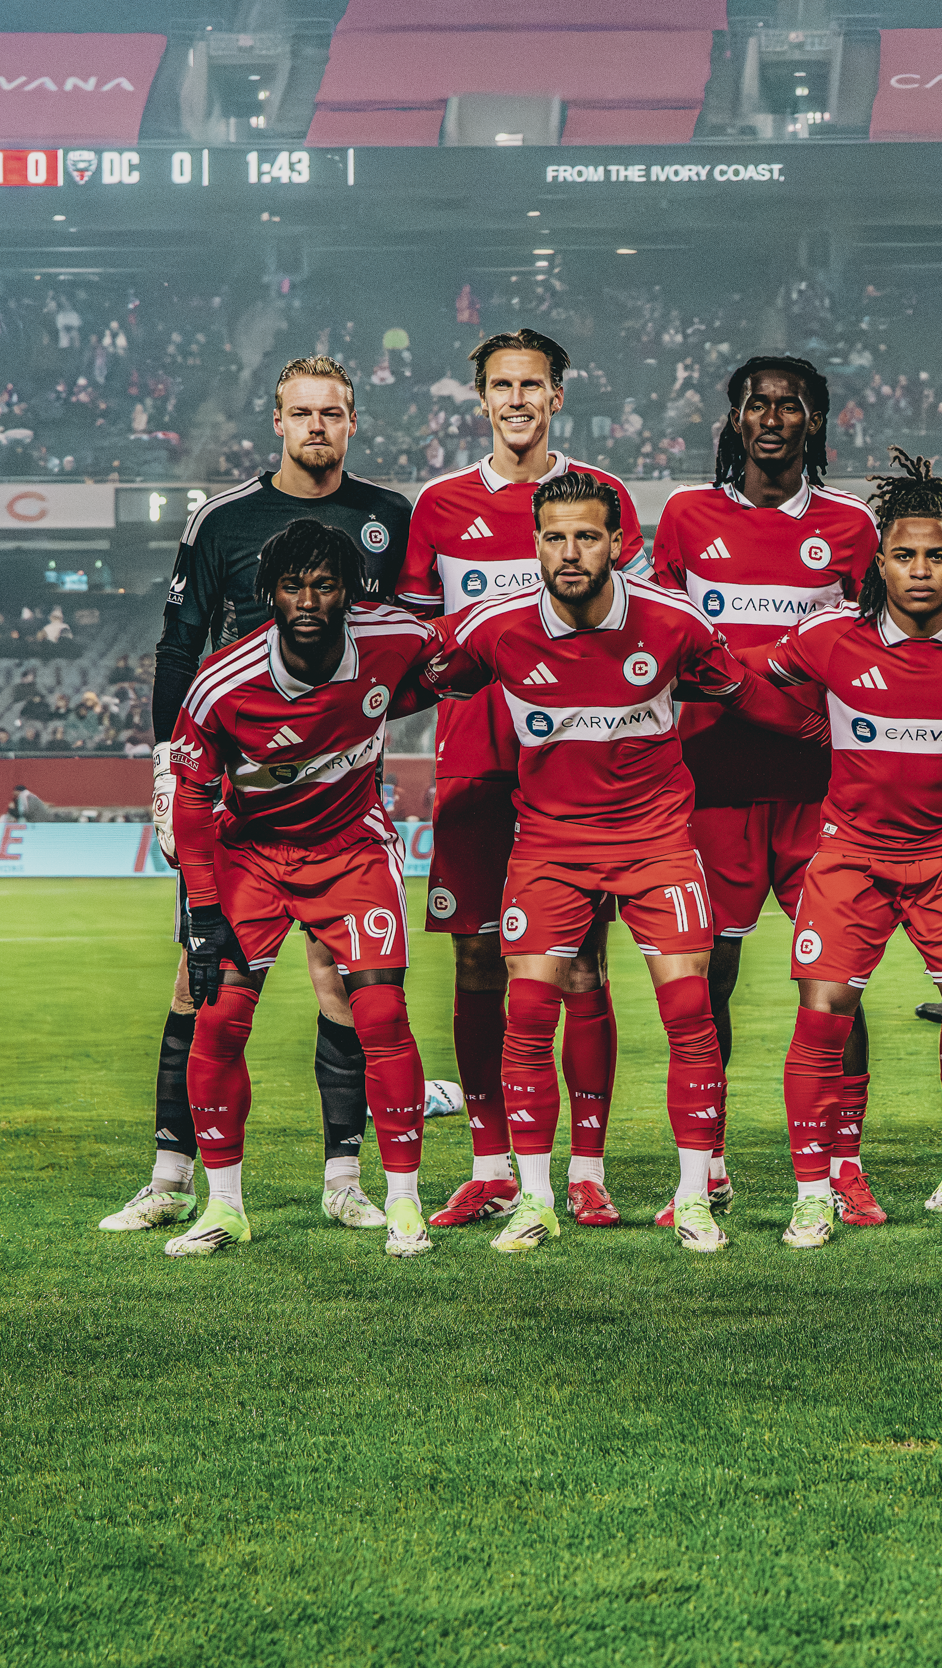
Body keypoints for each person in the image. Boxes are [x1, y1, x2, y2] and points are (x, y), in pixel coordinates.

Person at [104, 352, 434, 1239]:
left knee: (343, 985)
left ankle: (346, 1179)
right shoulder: (225, 520)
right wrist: (168, 769)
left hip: (336, 788)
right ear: (277, 424)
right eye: (302, 413)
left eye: (333, 412)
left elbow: (409, 643)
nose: (317, 426)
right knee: (198, 979)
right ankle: (173, 1174)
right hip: (234, 797)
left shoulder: (386, 518)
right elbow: (180, 643)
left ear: (352, 422)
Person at [420, 470, 788, 1255]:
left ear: (620, 544)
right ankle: (536, 1198)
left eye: (587, 536)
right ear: (536, 544)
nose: (570, 552)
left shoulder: (672, 620)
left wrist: (841, 731)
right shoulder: (496, 626)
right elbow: (416, 675)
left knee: (690, 1014)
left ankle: (693, 1198)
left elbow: (743, 692)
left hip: (656, 844)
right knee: (526, 1018)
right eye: (554, 536)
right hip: (549, 847)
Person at [753, 450, 942, 1251]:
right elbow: (747, 684)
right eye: (904, 554)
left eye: (937, 555)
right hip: (849, 857)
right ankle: (813, 1194)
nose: (921, 569)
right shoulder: (827, 641)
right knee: (822, 1017)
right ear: (878, 562)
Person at [396, 329, 642, 1233]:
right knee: (472, 957)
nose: (517, 400)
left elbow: (634, 638)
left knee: (581, 964)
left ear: (557, 395)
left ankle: (587, 1169)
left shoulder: (602, 499)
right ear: (481, 398)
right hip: (474, 763)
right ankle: (492, 1162)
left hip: (579, 767)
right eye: (501, 386)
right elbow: (425, 651)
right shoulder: (439, 505)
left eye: (532, 385)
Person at [165, 523, 442, 1259]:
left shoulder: (393, 636)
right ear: (270, 594)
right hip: (250, 858)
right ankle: (223, 1207)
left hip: (352, 851)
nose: (310, 600)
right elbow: (191, 802)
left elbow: (463, 655)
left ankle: (404, 1203)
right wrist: (200, 909)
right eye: (294, 586)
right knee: (218, 1021)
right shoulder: (222, 684)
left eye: (325, 585)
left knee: (380, 1013)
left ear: (348, 591)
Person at [650, 357, 880, 1224]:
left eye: (791, 405)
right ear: (736, 420)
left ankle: (842, 1167)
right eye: (758, 405)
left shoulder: (853, 528)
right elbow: (671, 642)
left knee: (836, 982)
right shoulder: (684, 515)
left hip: (823, 789)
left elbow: (870, 650)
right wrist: (761, 685)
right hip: (710, 781)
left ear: (816, 420)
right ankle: (704, 1166)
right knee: (708, 979)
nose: (773, 418)